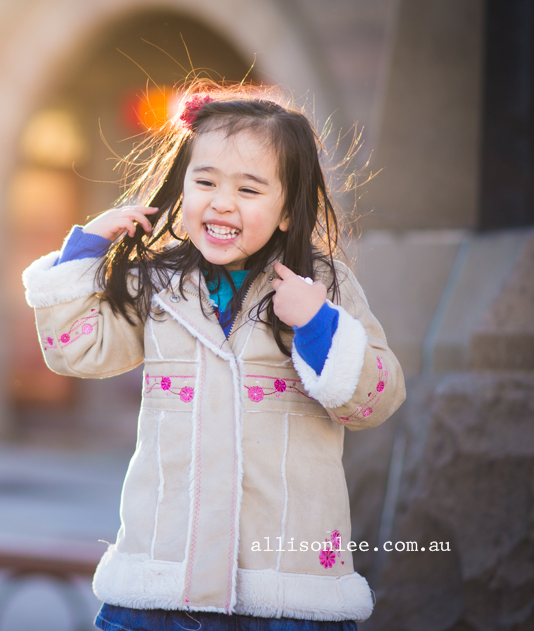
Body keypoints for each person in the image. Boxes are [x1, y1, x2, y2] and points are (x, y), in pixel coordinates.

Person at [21, 84, 405, 630]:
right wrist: (83, 254)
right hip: (160, 585)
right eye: (205, 182)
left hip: (287, 596)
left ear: (289, 212)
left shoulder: (323, 287)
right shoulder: (157, 286)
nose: (221, 202)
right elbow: (76, 351)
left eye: (249, 189)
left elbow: (378, 399)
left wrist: (318, 325)